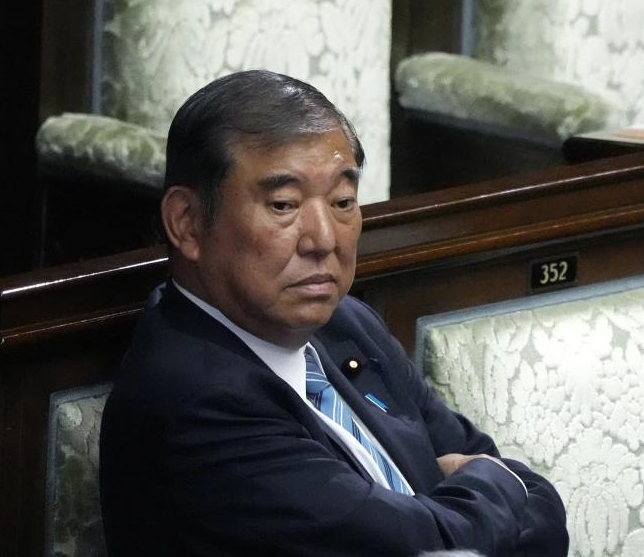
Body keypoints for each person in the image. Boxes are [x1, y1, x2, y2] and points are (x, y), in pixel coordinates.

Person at [100, 70, 567, 557]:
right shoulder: (196, 404)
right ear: (187, 222)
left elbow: (533, 497)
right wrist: (494, 484)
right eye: (284, 205)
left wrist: (484, 490)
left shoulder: (347, 324)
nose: (324, 239)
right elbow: (434, 548)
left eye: (343, 201)